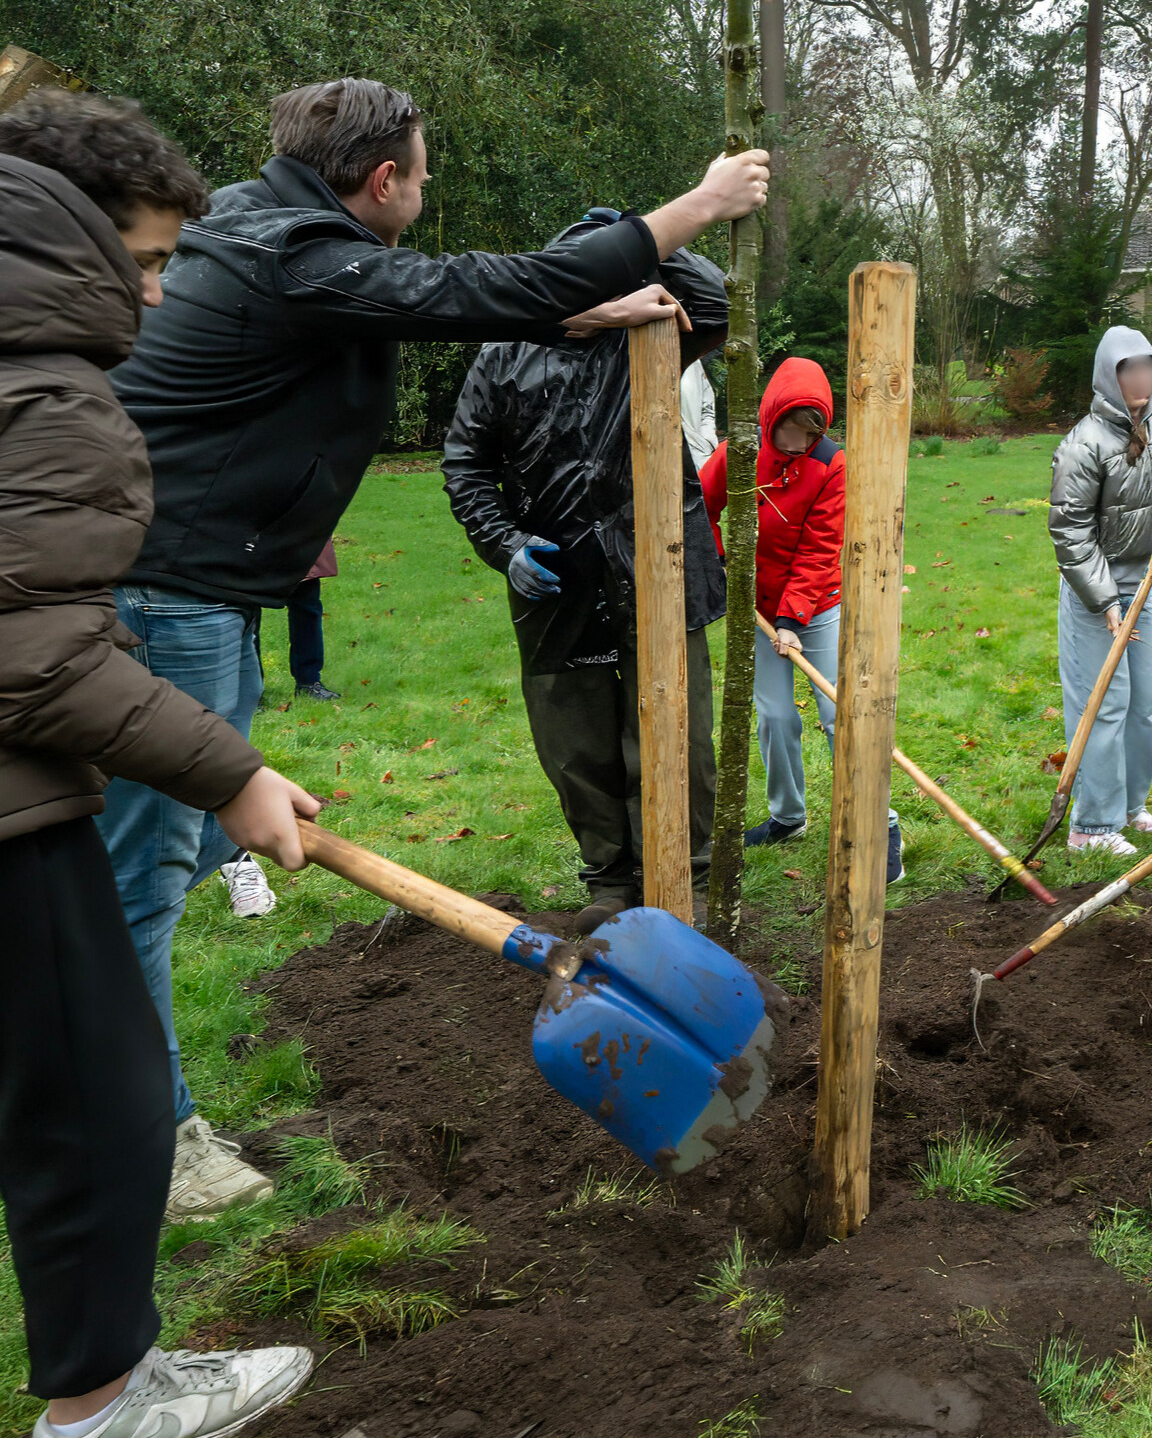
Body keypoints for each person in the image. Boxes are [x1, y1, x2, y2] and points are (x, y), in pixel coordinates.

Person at [98, 76, 768, 1217]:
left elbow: (448, 304)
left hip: (179, 585)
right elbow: (477, 287)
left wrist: (578, 317)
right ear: (380, 182)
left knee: (160, 859)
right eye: (422, 172)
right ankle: (148, 1141)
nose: (426, 189)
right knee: (142, 881)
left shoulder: (268, 235)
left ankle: (107, 1080)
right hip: (168, 591)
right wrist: (696, 206)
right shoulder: (298, 255)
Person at [0, 88, 326, 1438]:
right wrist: (232, 775)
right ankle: (103, 1409)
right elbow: (38, 653)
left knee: (71, 1102)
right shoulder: (46, 382)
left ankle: (113, 1381)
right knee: (103, 1110)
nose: (157, 291)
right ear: (73, 238)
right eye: (145, 259)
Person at [445, 212, 730, 929]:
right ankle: (611, 882)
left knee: (678, 735)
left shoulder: (660, 328)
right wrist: (504, 544)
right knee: (574, 740)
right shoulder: (507, 349)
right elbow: (466, 459)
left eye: (607, 265)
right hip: (555, 573)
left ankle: (683, 878)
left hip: (659, 564)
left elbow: (721, 300)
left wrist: (636, 238)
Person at [699, 357, 903, 881]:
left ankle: (881, 829)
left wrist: (793, 617)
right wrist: (721, 564)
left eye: (806, 436)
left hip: (818, 607)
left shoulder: (831, 464)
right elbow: (698, 509)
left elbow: (818, 550)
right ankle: (788, 817)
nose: (794, 445)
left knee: (842, 716)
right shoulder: (737, 456)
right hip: (756, 610)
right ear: (771, 419)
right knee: (775, 718)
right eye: (788, 432)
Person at [1048, 327, 1152, 854]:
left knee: (1144, 701)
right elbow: (1070, 533)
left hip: (1145, 578)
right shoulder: (1083, 444)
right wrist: (1104, 602)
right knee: (1105, 702)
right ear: (1109, 376)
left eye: (1148, 367)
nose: (1142, 378)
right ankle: (1090, 827)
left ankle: (1129, 804)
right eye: (1129, 369)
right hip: (1095, 586)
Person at [287, 541, 341, 702]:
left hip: (300, 536)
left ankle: (308, 682)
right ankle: (249, 692)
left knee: (306, 607)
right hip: (253, 534)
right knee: (248, 613)